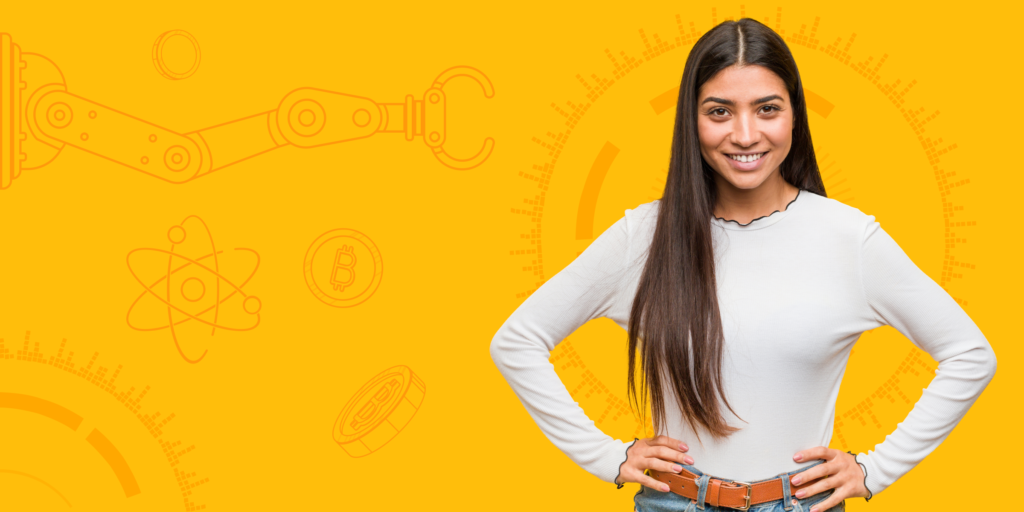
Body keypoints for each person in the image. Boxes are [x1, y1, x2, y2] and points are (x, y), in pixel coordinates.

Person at [488, 17, 997, 512]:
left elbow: (969, 354)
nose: (746, 134)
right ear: (692, 119)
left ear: (794, 115)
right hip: (674, 504)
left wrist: (875, 469)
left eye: (767, 109)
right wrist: (606, 457)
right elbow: (518, 340)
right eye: (719, 112)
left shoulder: (849, 239)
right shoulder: (643, 236)